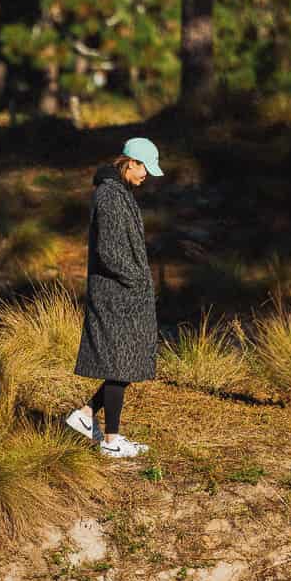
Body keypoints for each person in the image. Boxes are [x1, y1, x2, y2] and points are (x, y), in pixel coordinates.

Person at [66, 136, 163, 458]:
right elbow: (108, 251)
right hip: (116, 294)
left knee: (123, 365)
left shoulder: (119, 193)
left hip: (123, 293)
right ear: (130, 162)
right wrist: (137, 279)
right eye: (145, 168)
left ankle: (85, 415)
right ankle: (111, 441)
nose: (147, 175)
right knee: (121, 366)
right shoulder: (110, 196)